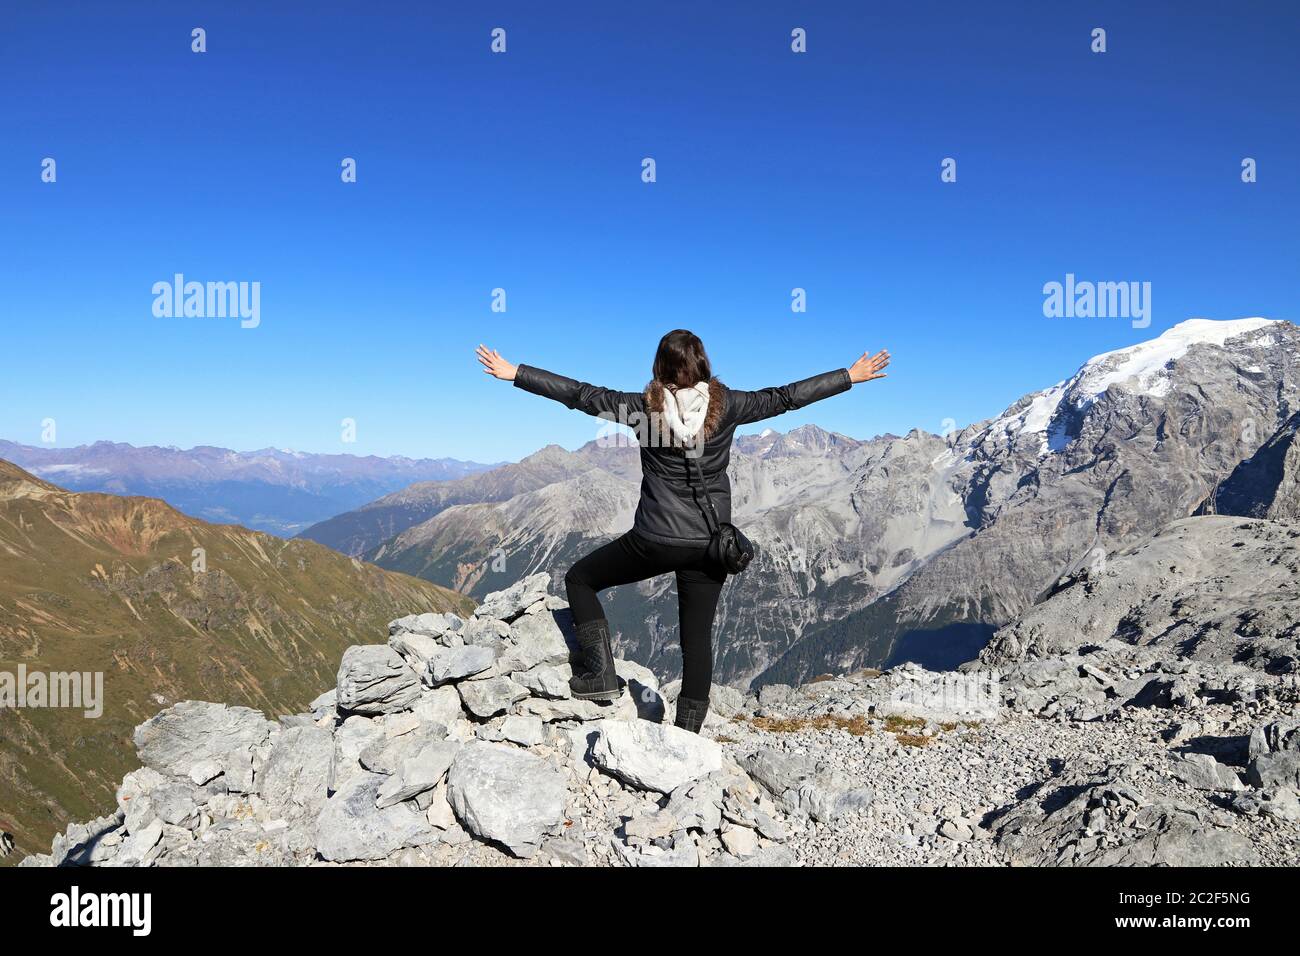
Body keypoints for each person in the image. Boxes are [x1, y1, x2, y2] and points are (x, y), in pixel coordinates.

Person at [475, 330, 890, 733]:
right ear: (704, 364)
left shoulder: (641, 408)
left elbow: (579, 394)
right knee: (697, 639)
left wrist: (516, 373)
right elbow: (784, 398)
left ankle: (600, 676)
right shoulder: (729, 406)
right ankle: (687, 736)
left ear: (659, 368)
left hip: (654, 540)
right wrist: (848, 376)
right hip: (710, 546)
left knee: (580, 579)